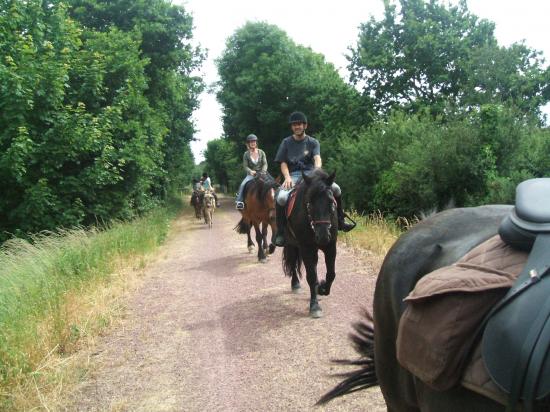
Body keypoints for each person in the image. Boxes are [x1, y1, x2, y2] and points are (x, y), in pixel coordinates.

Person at [273, 111, 354, 246]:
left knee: (336, 189)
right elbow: (283, 162)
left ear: (305, 125)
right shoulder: (286, 142)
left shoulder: (313, 142)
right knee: (281, 197)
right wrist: (287, 177)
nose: (297, 127)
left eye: (299, 124)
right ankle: (281, 232)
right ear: (292, 127)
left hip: (312, 174)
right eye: (294, 125)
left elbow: (317, 158)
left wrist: (317, 171)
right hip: (293, 175)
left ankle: (340, 220)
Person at [235, 134, 268, 209]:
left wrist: (263, 171)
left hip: (262, 173)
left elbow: (265, 163)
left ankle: (274, 199)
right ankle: (239, 201)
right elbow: (245, 166)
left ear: (256, 143)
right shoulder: (246, 154)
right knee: (243, 184)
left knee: (272, 182)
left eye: (254, 141)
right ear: (248, 143)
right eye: (251, 142)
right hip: (251, 174)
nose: (253, 143)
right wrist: (250, 171)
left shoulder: (261, 152)